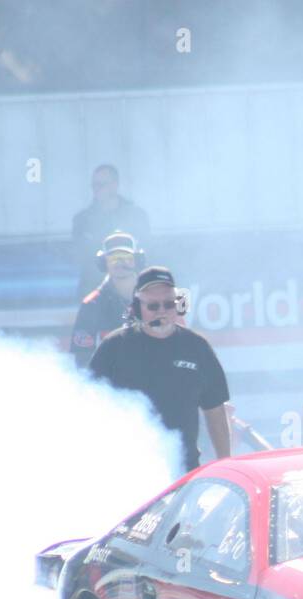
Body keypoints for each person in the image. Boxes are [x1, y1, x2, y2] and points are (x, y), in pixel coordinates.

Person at [88, 266, 231, 474]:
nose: (162, 311)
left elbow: (215, 410)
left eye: (168, 304)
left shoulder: (197, 347)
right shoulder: (114, 347)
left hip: (184, 474)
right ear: (137, 308)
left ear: (179, 305)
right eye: (153, 306)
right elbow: (90, 405)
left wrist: (225, 465)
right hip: (126, 472)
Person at [72, 164, 151, 300]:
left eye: (101, 184)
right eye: (94, 185)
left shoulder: (136, 216)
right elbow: (81, 258)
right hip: (95, 291)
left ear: (115, 185)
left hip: (129, 291)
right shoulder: (82, 221)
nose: (96, 189)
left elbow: (146, 251)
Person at [69, 232, 142, 367]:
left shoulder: (156, 299)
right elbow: (82, 359)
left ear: (137, 260)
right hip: (112, 381)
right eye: (114, 258)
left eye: (127, 258)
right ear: (103, 263)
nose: (121, 263)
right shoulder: (91, 304)